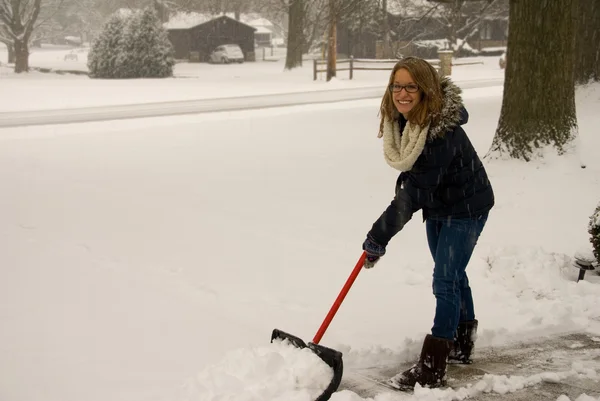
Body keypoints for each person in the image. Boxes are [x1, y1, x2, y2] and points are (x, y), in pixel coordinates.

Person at [362, 57, 495, 390]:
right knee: (452, 273)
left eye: (411, 86)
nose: (403, 93)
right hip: (440, 205)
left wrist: (379, 236)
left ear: (426, 90)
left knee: (445, 279)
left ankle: (433, 367)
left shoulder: (439, 133)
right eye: (397, 85)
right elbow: (418, 186)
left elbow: (414, 194)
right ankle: (462, 342)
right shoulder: (407, 123)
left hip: (467, 207)